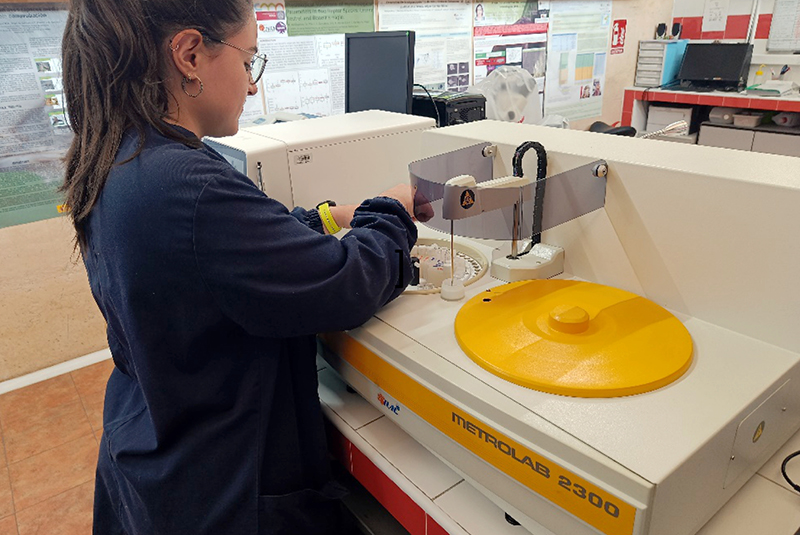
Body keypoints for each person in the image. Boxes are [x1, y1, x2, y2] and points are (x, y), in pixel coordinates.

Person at [60, 1, 417, 534]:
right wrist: (391, 209)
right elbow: (346, 283)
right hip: (223, 487)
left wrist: (319, 219)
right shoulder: (185, 184)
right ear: (189, 55)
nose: (252, 87)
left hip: (154, 447)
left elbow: (212, 256)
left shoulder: (124, 156)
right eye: (249, 61)